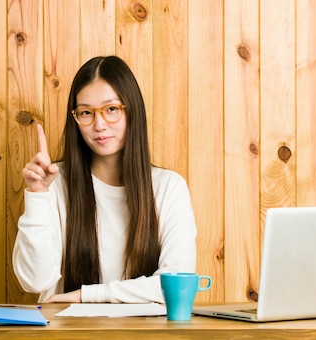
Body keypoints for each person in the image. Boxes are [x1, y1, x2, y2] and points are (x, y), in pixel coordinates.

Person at [12, 55, 197, 303]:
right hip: (64, 334)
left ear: (132, 111)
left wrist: (85, 296)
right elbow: (34, 281)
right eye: (86, 112)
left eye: (111, 109)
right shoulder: (53, 184)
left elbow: (174, 285)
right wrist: (36, 195)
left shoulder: (168, 187)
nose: (99, 125)